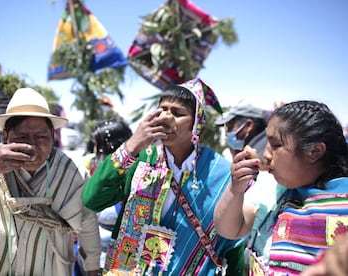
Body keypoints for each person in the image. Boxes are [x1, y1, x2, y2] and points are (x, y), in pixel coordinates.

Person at [82, 78, 245, 275]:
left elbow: (233, 244)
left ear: (196, 124)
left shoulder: (220, 172)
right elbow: (92, 200)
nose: (166, 117)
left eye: (177, 113)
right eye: (162, 110)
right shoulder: (140, 160)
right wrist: (131, 146)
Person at [0, 88, 101, 275]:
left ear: (53, 135)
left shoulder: (71, 171)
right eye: (21, 137)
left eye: (41, 137)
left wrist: (93, 269)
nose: (31, 145)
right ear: (5, 136)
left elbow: (87, 221)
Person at [214, 100, 348, 275]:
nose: (266, 154)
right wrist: (235, 189)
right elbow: (230, 229)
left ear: (314, 151)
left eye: (276, 145)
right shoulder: (274, 186)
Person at [77, 118, 133, 275]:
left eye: (97, 145)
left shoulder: (134, 178)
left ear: (109, 146)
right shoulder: (93, 172)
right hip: (89, 261)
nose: (94, 150)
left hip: (120, 265)